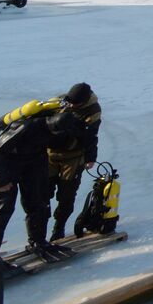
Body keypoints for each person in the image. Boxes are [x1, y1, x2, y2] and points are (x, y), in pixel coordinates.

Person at [0, 91, 94, 262]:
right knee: (2, 209)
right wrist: (1, 182)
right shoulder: (25, 127)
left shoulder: (60, 123)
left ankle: (38, 242)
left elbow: (84, 132)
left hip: (34, 160)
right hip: (9, 163)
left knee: (38, 203)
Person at [45, 82, 102, 241]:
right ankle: (38, 233)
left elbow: (91, 135)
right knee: (43, 193)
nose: (71, 105)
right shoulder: (59, 101)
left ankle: (58, 229)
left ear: (83, 102)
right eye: (70, 101)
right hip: (50, 155)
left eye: (75, 104)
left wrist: (91, 158)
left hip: (73, 157)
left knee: (67, 195)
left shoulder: (93, 110)